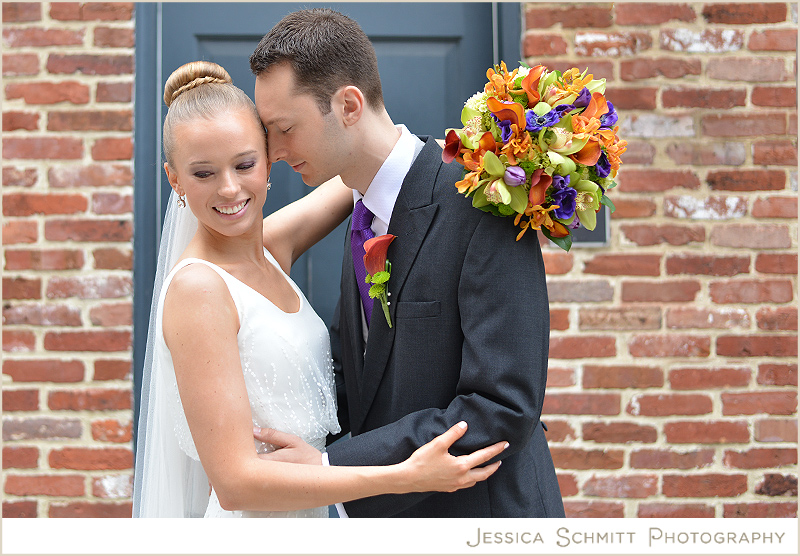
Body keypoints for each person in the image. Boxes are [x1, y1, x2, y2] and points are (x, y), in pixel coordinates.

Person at [131, 60, 508, 518]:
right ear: (175, 180)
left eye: (244, 164)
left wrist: (508, 150)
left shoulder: (269, 245)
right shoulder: (198, 288)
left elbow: (382, 161)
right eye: (203, 174)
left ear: (269, 157)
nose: (229, 189)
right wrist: (404, 475)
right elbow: (236, 484)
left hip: (312, 516)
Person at [249, 8, 565, 518]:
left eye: (284, 128)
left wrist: (332, 468)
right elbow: (363, 382)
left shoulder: (479, 200)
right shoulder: (360, 209)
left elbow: (502, 405)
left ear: (348, 105)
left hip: (485, 518)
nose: (274, 152)